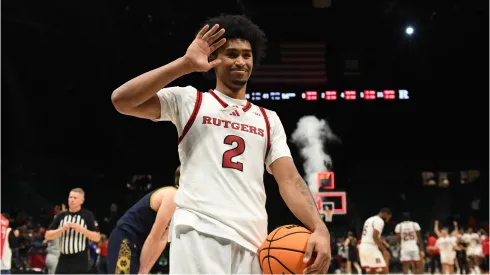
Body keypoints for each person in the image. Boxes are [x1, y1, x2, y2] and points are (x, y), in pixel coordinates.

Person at [111, 14, 332, 274]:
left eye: (247, 55)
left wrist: (319, 227)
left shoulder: (268, 119)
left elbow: (289, 180)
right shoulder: (190, 101)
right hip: (199, 230)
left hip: (253, 240)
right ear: (215, 60)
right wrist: (184, 65)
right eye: (231, 53)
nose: (240, 61)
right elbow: (122, 100)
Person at [107, 167, 179, 274]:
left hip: (138, 242)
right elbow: (154, 236)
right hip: (125, 237)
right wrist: (143, 270)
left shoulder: (180, 202)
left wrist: (145, 270)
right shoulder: (172, 195)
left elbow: (162, 240)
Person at [44, 188, 100, 274]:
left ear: (82, 200)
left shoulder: (87, 215)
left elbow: (97, 237)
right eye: (70, 197)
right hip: (63, 258)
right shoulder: (61, 216)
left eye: (75, 198)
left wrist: (81, 229)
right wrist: (62, 229)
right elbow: (47, 236)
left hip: (80, 259)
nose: (72, 200)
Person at [358, 208, 392, 274]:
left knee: (372, 271)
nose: (388, 220)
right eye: (388, 217)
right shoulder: (379, 221)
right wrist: (384, 250)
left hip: (362, 246)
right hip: (370, 247)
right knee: (383, 271)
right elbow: (375, 237)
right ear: (385, 214)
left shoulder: (369, 219)